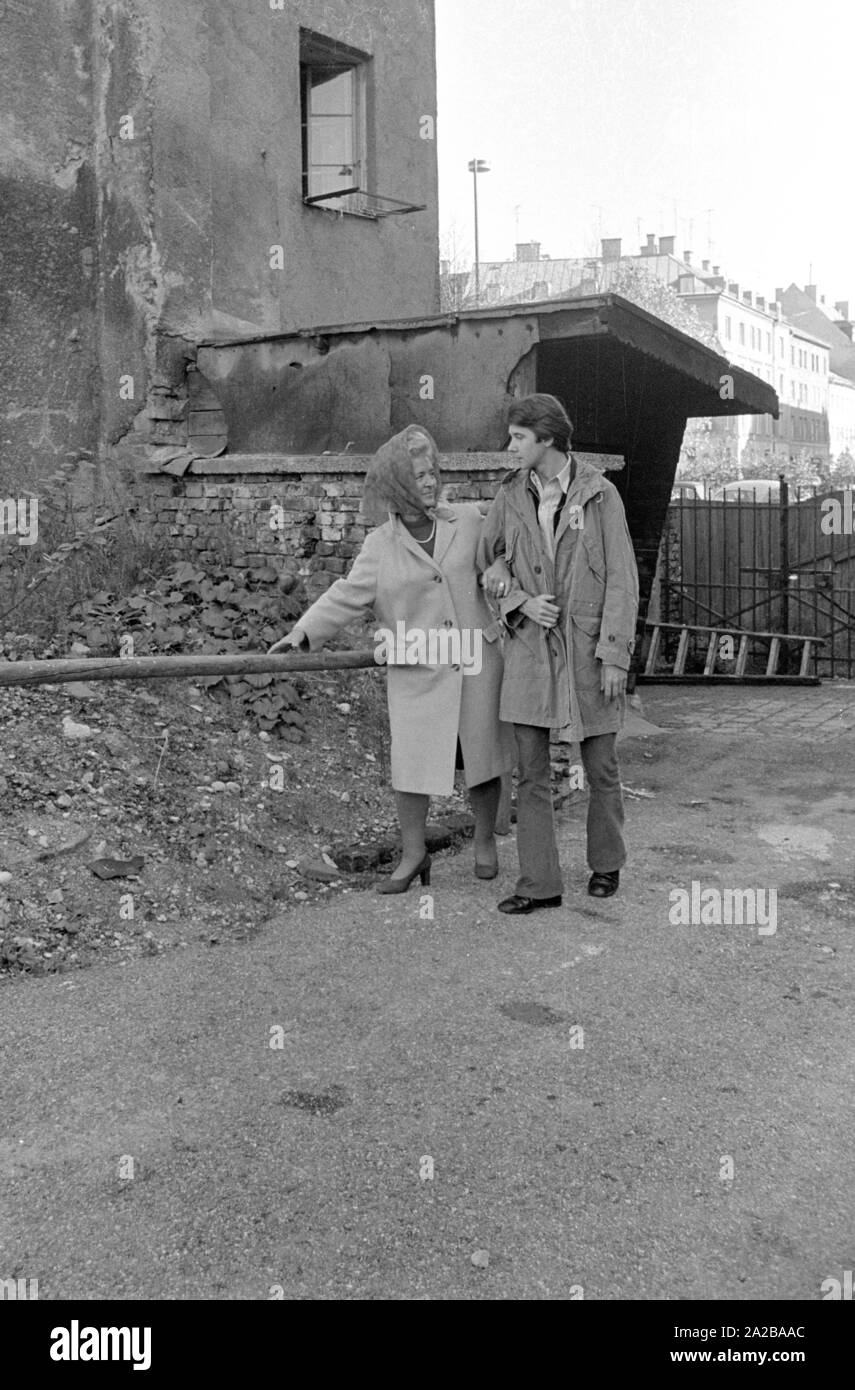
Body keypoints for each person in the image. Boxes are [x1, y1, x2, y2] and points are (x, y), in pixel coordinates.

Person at [269, 425, 516, 893]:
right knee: (412, 766)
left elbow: (502, 549)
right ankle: (413, 854)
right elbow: (346, 595)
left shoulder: (468, 520)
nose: (430, 482)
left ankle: (486, 842)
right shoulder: (380, 546)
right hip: (418, 669)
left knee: (482, 759)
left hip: (475, 662)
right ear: (399, 485)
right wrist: (302, 633)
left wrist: (501, 564)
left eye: (432, 472)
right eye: (419, 475)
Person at [479, 393, 639, 914]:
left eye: (519, 437)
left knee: (601, 765)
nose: (511, 446)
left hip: (590, 652)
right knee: (531, 770)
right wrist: (520, 600)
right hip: (529, 649)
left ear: (546, 438)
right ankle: (539, 885)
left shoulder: (600, 496)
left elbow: (622, 579)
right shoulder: (510, 495)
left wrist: (615, 653)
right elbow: (489, 566)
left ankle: (606, 863)